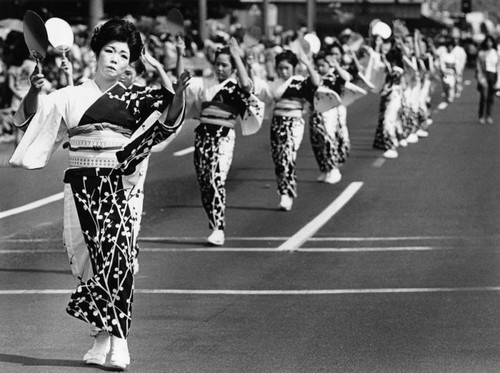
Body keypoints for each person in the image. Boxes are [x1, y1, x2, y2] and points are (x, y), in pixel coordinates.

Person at [9, 18, 190, 370]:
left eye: (124, 55)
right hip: (78, 182)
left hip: (118, 182)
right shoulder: (69, 96)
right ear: (96, 53)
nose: (115, 59)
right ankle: (101, 336)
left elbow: (168, 120)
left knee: (117, 258)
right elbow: (28, 119)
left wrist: (174, 86)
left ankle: (120, 342)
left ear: (129, 63)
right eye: (109, 50)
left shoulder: (136, 99)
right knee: (84, 259)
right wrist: (33, 90)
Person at [184, 37, 264, 246]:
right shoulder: (206, 84)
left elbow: (247, 85)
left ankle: (219, 228)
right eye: (218, 64)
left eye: (225, 65)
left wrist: (237, 55)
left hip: (223, 138)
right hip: (203, 136)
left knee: (215, 179)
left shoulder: (237, 85)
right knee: (204, 183)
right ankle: (213, 223)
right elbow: (185, 90)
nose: (220, 68)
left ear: (233, 67)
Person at [476, 35, 500, 124]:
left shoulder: (496, 52)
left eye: (491, 41)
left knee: (490, 97)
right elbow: (478, 66)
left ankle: (488, 115)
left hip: (493, 75)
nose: (489, 43)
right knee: (483, 96)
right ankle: (481, 115)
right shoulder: (481, 53)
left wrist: (498, 79)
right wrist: (480, 77)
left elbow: (498, 66)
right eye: (487, 41)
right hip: (484, 75)